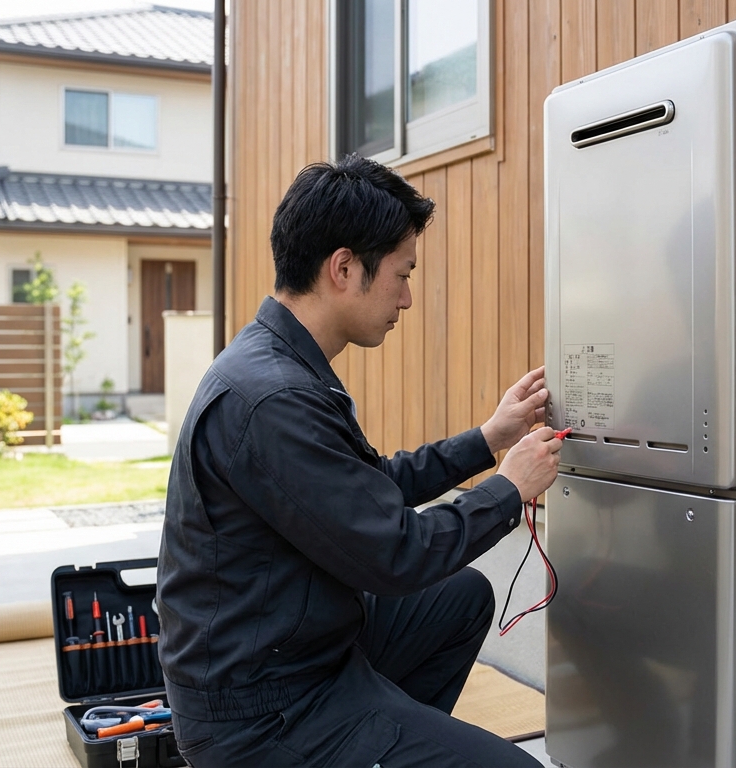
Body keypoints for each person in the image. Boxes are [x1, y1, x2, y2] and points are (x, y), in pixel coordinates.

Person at [156, 154, 562, 767]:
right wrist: (508, 489)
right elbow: (395, 555)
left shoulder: (277, 362)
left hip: (300, 650)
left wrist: (488, 438)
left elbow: (366, 488)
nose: (406, 297)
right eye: (401, 274)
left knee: (462, 597)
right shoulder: (273, 399)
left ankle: (382, 740)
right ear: (343, 268)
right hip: (263, 712)